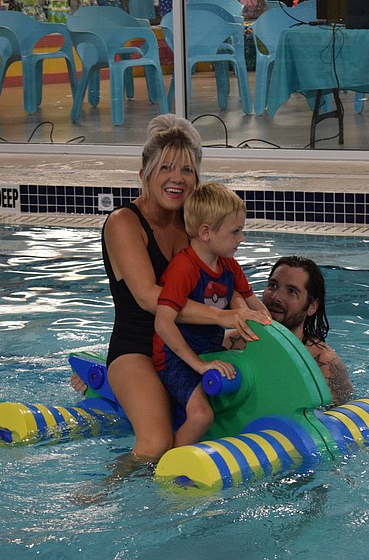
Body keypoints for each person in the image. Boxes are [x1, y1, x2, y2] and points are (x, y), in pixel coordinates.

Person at [88, 114, 267, 475]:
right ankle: (106, 491)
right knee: (154, 444)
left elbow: (225, 278)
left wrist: (250, 318)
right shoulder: (124, 223)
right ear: (145, 173)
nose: (177, 178)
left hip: (191, 347)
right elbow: (149, 297)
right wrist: (222, 316)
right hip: (138, 349)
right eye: (166, 167)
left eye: (186, 170)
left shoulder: (194, 224)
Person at [153, 182, 270, 447]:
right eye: (235, 232)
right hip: (174, 359)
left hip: (211, 351)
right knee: (202, 416)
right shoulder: (184, 268)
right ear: (206, 232)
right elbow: (163, 323)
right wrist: (199, 365)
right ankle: (164, 471)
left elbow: (257, 309)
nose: (241, 239)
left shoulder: (228, 265)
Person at [225, 256, 354, 406]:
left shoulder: (324, 364)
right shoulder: (232, 343)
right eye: (272, 286)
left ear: (312, 306)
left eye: (292, 291)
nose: (276, 297)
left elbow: (335, 422)